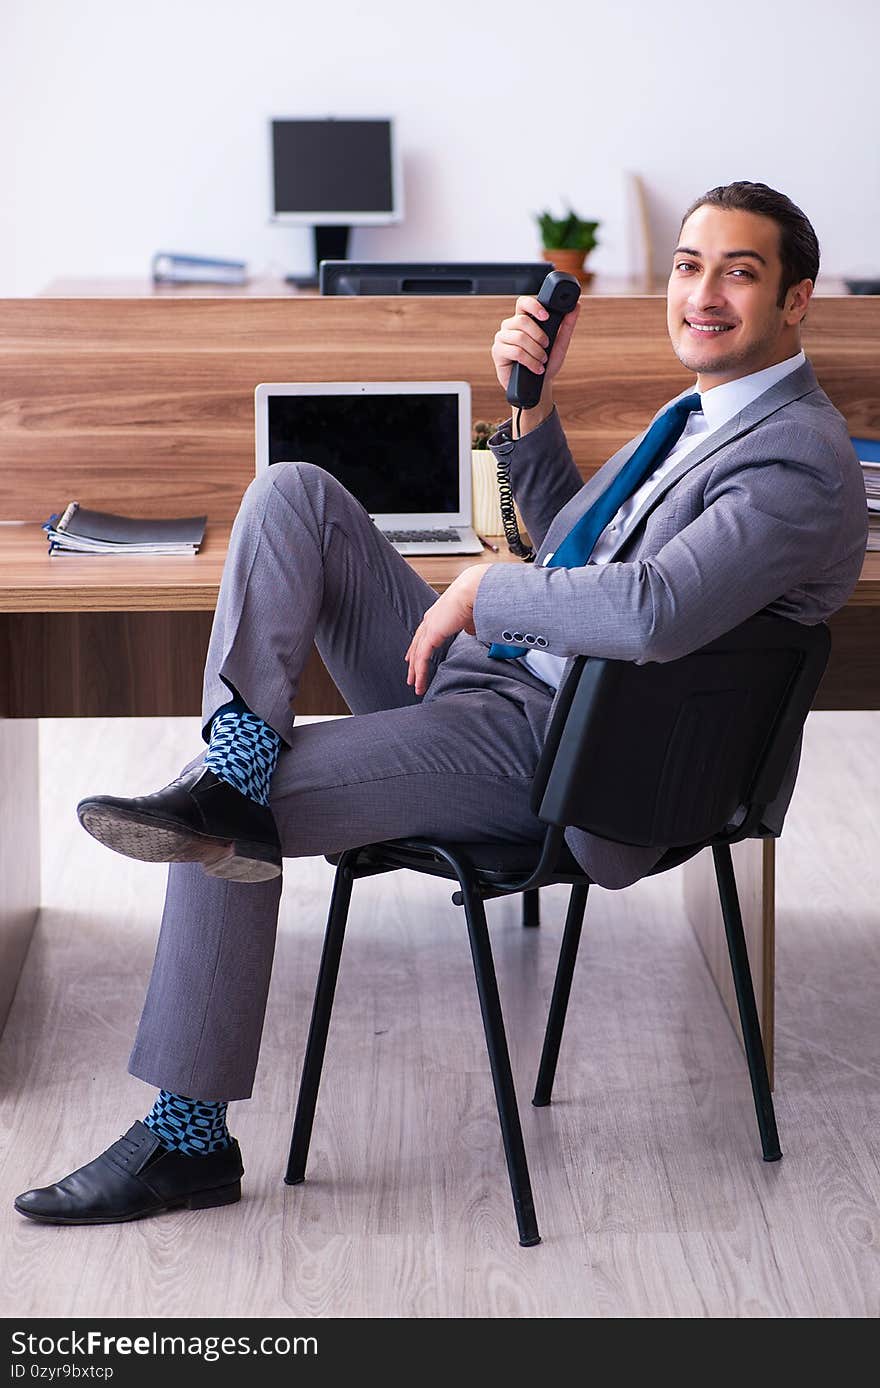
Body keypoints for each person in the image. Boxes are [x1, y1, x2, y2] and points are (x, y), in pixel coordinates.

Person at [14, 181, 867, 1225]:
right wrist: (532, 409)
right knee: (293, 493)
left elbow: (649, 610)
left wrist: (477, 589)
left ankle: (186, 1137)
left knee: (209, 829)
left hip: (556, 750)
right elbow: (574, 554)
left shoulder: (796, 460)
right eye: (689, 265)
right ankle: (235, 765)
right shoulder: (700, 414)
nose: (701, 292)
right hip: (502, 680)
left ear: (795, 300)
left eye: (738, 271)